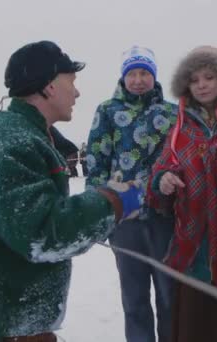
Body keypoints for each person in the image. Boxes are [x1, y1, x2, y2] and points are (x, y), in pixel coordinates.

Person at [0, 40, 143, 341]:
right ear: (48, 87)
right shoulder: (12, 145)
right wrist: (113, 201)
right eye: (71, 82)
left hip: (11, 324)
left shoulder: (21, 135)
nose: (77, 92)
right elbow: (42, 233)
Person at [147, 46, 217, 342]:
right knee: (194, 326)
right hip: (194, 243)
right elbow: (161, 170)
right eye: (195, 79)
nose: (201, 85)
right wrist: (164, 180)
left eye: (209, 77)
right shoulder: (180, 127)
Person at [86, 46, 177, 342]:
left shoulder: (172, 112)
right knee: (134, 298)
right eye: (132, 73)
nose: (138, 80)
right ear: (124, 77)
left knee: (169, 296)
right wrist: (98, 211)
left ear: (154, 76)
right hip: (125, 219)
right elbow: (96, 162)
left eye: (145, 73)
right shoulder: (107, 111)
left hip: (165, 218)